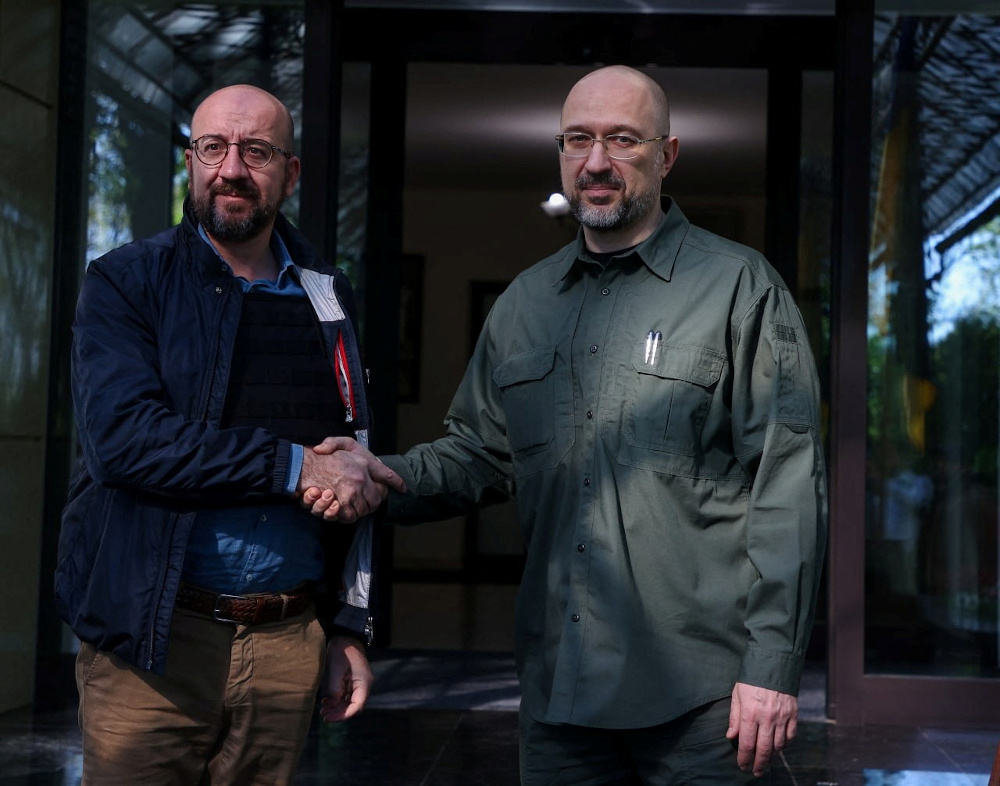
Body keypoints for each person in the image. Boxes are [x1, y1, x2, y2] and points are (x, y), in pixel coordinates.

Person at [306, 64, 828, 784]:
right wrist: (380, 474)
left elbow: (788, 486)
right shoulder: (526, 303)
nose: (596, 162)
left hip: (705, 698)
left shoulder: (740, 288)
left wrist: (771, 668)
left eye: (622, 140)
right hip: (560, 692)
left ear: (667, 154)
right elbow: (479, 454)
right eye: (578, 140)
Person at [54, 83, 405, 785]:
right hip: (152, 644)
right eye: (213, 147)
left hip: (285, 644)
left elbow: (351, 463)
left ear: (290, 172)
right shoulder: (125, 282)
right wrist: (293, 466)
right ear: (191, 160)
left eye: (257, 151)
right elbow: (124, 442)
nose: (232, 168)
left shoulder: (329, 296)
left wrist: (345, 628)